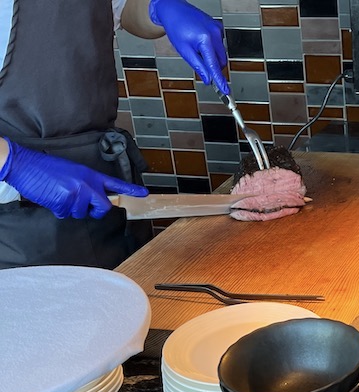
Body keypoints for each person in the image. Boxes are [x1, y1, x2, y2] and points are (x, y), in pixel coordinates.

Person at [0, 0, 229, 269]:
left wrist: (157, 7)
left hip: (104, 186)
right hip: (18, 221)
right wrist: (13, 165)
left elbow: (120, 8)